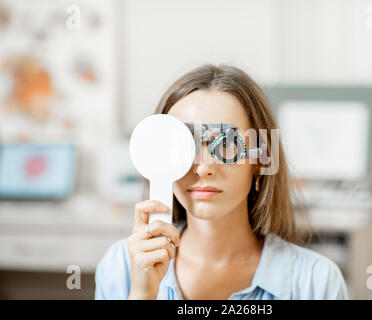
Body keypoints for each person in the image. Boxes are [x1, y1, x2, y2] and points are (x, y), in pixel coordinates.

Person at [94, 64, 348, 300]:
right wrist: (142, 293)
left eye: (226, 144)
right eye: (184, 145)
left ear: (260, 159)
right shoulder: (122, 266)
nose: (204, 167)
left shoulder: (316, 283)